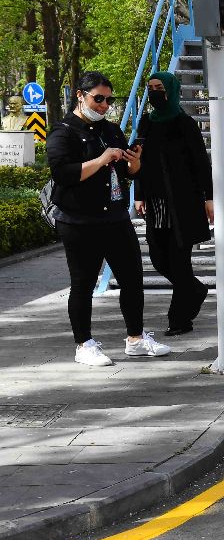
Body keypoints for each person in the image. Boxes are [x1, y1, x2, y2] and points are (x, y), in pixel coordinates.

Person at [47, 71, 170, 366]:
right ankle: (84, 344)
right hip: (78, 220)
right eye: (97, 98)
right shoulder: (63, 132)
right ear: (81, 95)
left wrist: (134, 161)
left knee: (132, 278)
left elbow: (129, 173)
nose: (103, 105)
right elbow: (63, 173)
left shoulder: (111, 129)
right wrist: (101, 159)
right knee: (83, 282)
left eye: (108, 99)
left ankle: (136, 338)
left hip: (114, 216)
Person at [133, 72, 213, 337]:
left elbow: (201, 164)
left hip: (183, 204)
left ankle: (180, 319)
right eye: (151, 88)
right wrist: (139, 193)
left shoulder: (184, 123)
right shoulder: (146, 122)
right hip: (156, 204)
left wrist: (208, 198)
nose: (155, 92)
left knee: (180, 262)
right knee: (158, 259)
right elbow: (139, 160)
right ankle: (196, 290)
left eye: (160, 88)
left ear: (171, 90)